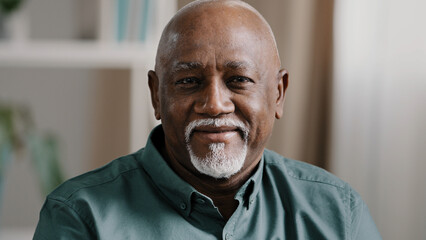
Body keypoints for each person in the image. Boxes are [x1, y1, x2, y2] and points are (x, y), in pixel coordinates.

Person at [34, 0, 381, 239]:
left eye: (238, 80)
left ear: (278, 93)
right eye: (188, 81)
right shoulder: (80, 215)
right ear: (157, 95)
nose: (214, 104)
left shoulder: (338, 213)